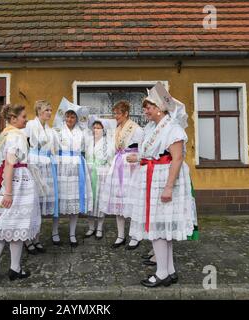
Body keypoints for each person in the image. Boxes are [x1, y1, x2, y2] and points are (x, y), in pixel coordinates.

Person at [128, 82, 195, 287]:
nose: (145, 111)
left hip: (164, 180)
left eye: (148, 107)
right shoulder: (153, 127)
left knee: (157, 226)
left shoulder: (172, 128)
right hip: (153, 176)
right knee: (162, 227)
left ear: (159, 108)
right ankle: (170, 270)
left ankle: (162, 273)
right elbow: (154, 154)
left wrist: (168, 187)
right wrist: (140, 158)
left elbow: (176, 159)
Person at [0, 104, 41, 281]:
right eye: (23, 116)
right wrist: (8, 193)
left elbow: (0, 163)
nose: (26, 119)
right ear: (13, 119)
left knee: (1, 224)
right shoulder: (17, 136)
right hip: (15, 181)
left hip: (2, 179)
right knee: (16, 225)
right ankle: (14, 268)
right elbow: (10, 163)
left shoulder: (4, 135)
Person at [99, 101, 143, 250]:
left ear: (126, 114)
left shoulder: (136, 129)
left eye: (118, 113)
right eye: (115, 113)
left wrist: (137, 157)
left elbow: (142, 148)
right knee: (119, 201)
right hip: (118, 165)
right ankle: (120, 235)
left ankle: (135, 236)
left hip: (131, 168)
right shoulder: (117, 129)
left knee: (133, 201)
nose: (115, 116)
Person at [52, 98, 93, 247]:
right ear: (64, 117)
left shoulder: (81, 132)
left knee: (74, 200)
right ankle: (55, 231)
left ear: (76, 118)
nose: (70, 119)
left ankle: (72, 233)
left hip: (76, 168)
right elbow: (53, 149)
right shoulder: (57, 131)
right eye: (68, 116)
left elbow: (87, 148)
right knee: (59, 200)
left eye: (73, 116)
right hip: (61, 167)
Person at [23, 100, 59, 254]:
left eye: (50, 110)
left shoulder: (50, 130)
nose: (49, 113)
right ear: (38, 111)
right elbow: (24, 143)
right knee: (31, 203)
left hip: (46, 165)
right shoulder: (31, 125)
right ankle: (26, 239)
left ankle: (36, 238)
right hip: (33, 164)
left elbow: (54, 149)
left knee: (40, 204)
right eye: (46, 110)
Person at [84, 117, 116, 240]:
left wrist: (108, 173)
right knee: (90, 201)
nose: (96, 130)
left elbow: (110, 160)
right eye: (95, 127)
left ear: (103, 129)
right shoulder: (89, 141)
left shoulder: (108, 143)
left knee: (100, 200)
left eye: (99, 127)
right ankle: (91, 227)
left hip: (101, 173)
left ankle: (99, 228)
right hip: (89, 173)